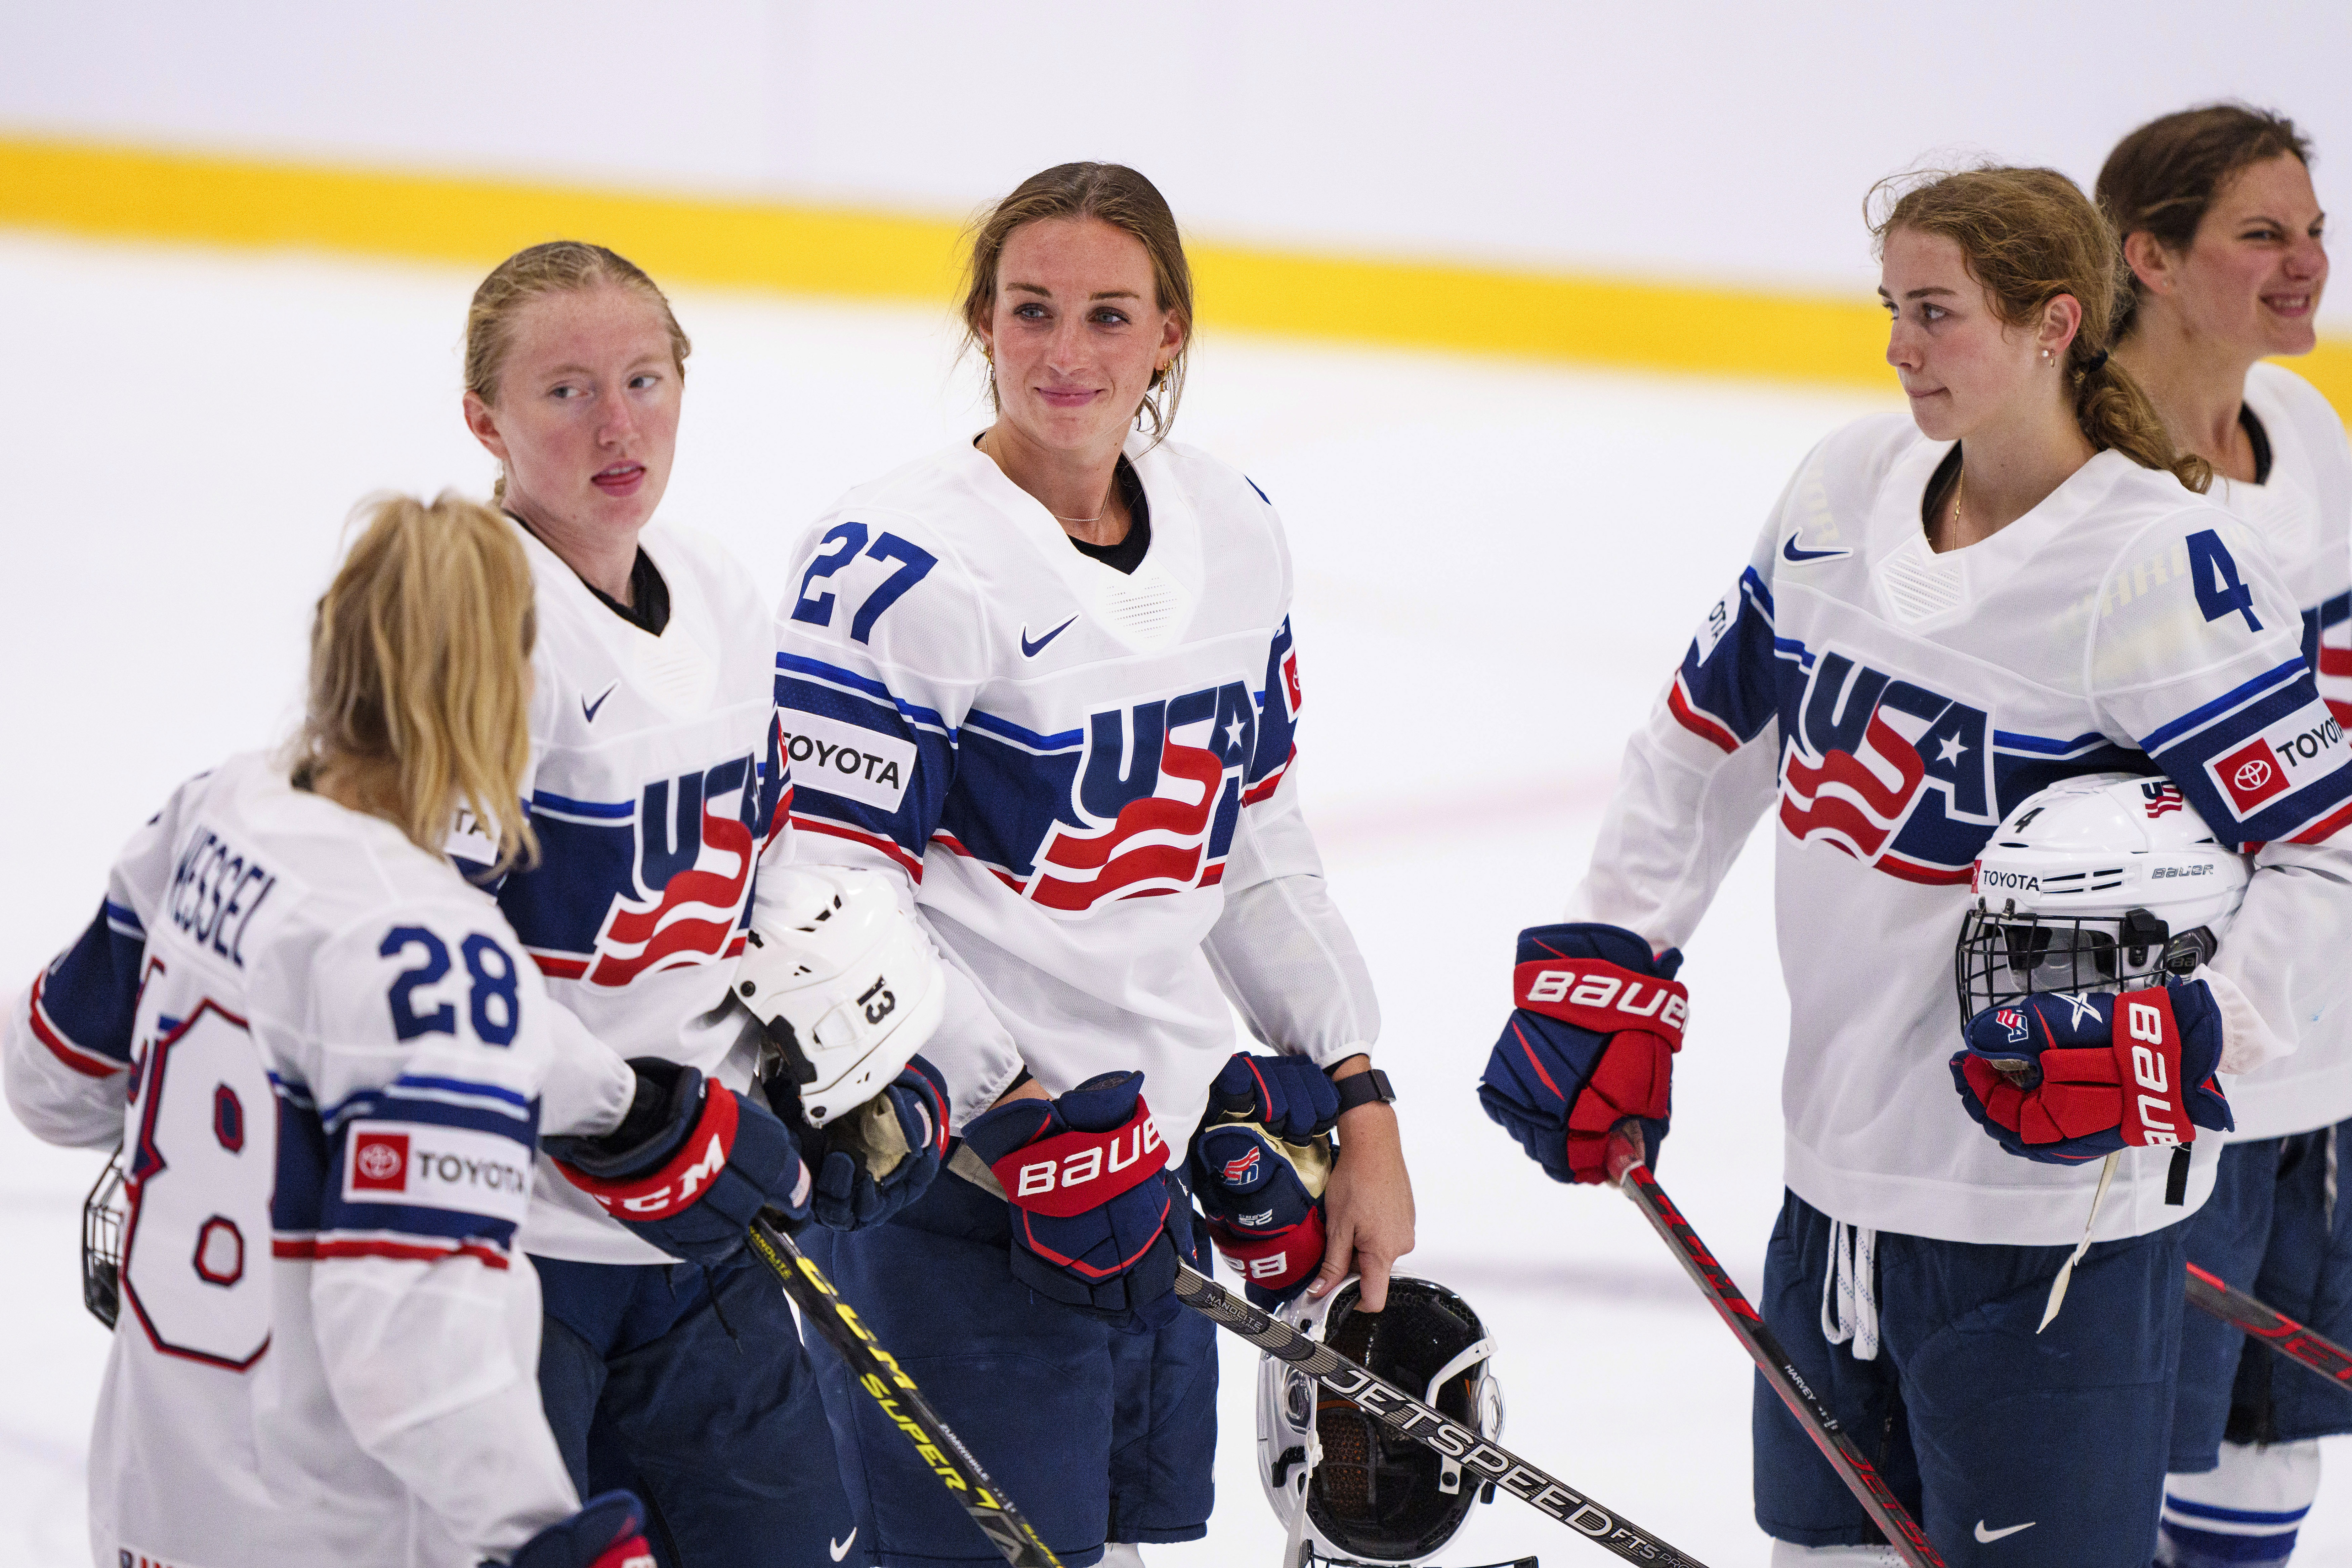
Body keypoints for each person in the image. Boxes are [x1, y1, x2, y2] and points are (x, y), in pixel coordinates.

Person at [1477, 165, 2352, 1566]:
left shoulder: (2149, 568)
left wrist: (2188, 1038)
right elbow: (1702, 739)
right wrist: (1613, 949)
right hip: (1830, 1190)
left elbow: (2324, 853)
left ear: (2051, 324)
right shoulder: (1841, 488)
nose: (1896, 347)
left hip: (2051, 1228)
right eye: (1891, 308)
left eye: (1934, 314)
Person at [773, 161, 1416, 1568]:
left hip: (1154, 1180)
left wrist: (1355, 1083)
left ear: (1169, 335)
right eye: (1031, 311)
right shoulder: (893, 561)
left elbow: (1253, 837)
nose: (1065, 355)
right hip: (948, 1194)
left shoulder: (1232, 530)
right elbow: (821, 893)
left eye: (1108, 317)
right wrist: (1013, 1111)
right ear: (981, 322)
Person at [2, 494, 659, 1568]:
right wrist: (554, 1537)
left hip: (152, 1503)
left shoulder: (220, 809)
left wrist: (622, 1101)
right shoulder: (434, 949)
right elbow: (411, 1338)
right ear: (500, 685)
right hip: (329, 1533)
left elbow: (51, 1078)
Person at [457, 241, 887, 1566]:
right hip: (506, 1260)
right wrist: (620, 1111)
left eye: (645, 380)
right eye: (565, 392)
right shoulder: (463, 622)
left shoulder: (717, 590)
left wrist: (831, 1060)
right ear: (485, 420)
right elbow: (414, 960)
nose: (617, 423)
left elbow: (761, 873)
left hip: (707, 1231)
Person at [2099, 104, 2352, 1568]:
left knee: (2269, 1448)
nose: (2307, 261)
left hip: (2315, 1065)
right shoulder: (2077, 476)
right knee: (2107, 1471)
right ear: (2151, 255)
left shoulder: (2306, 428)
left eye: (2313, 230)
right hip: (2150, 1085)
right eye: (2262, 234)